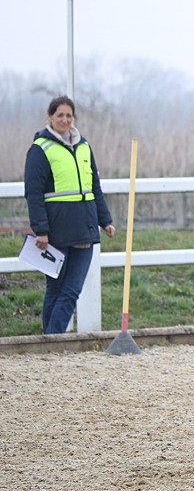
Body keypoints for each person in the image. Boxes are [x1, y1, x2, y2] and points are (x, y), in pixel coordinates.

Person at [24, 96, 116, 334]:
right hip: (56, 231)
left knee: (73, 289)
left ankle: (52, 338)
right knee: (55, 290)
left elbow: (94, 186)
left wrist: (104, 220)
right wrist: (40, 230)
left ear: (73, 118)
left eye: (68, 115)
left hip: (85, 227)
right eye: (59, 115)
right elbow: (33, 193)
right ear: (50, 118)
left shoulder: (84, 146)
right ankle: (52, 340)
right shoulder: (40, 149)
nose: (64, 120)